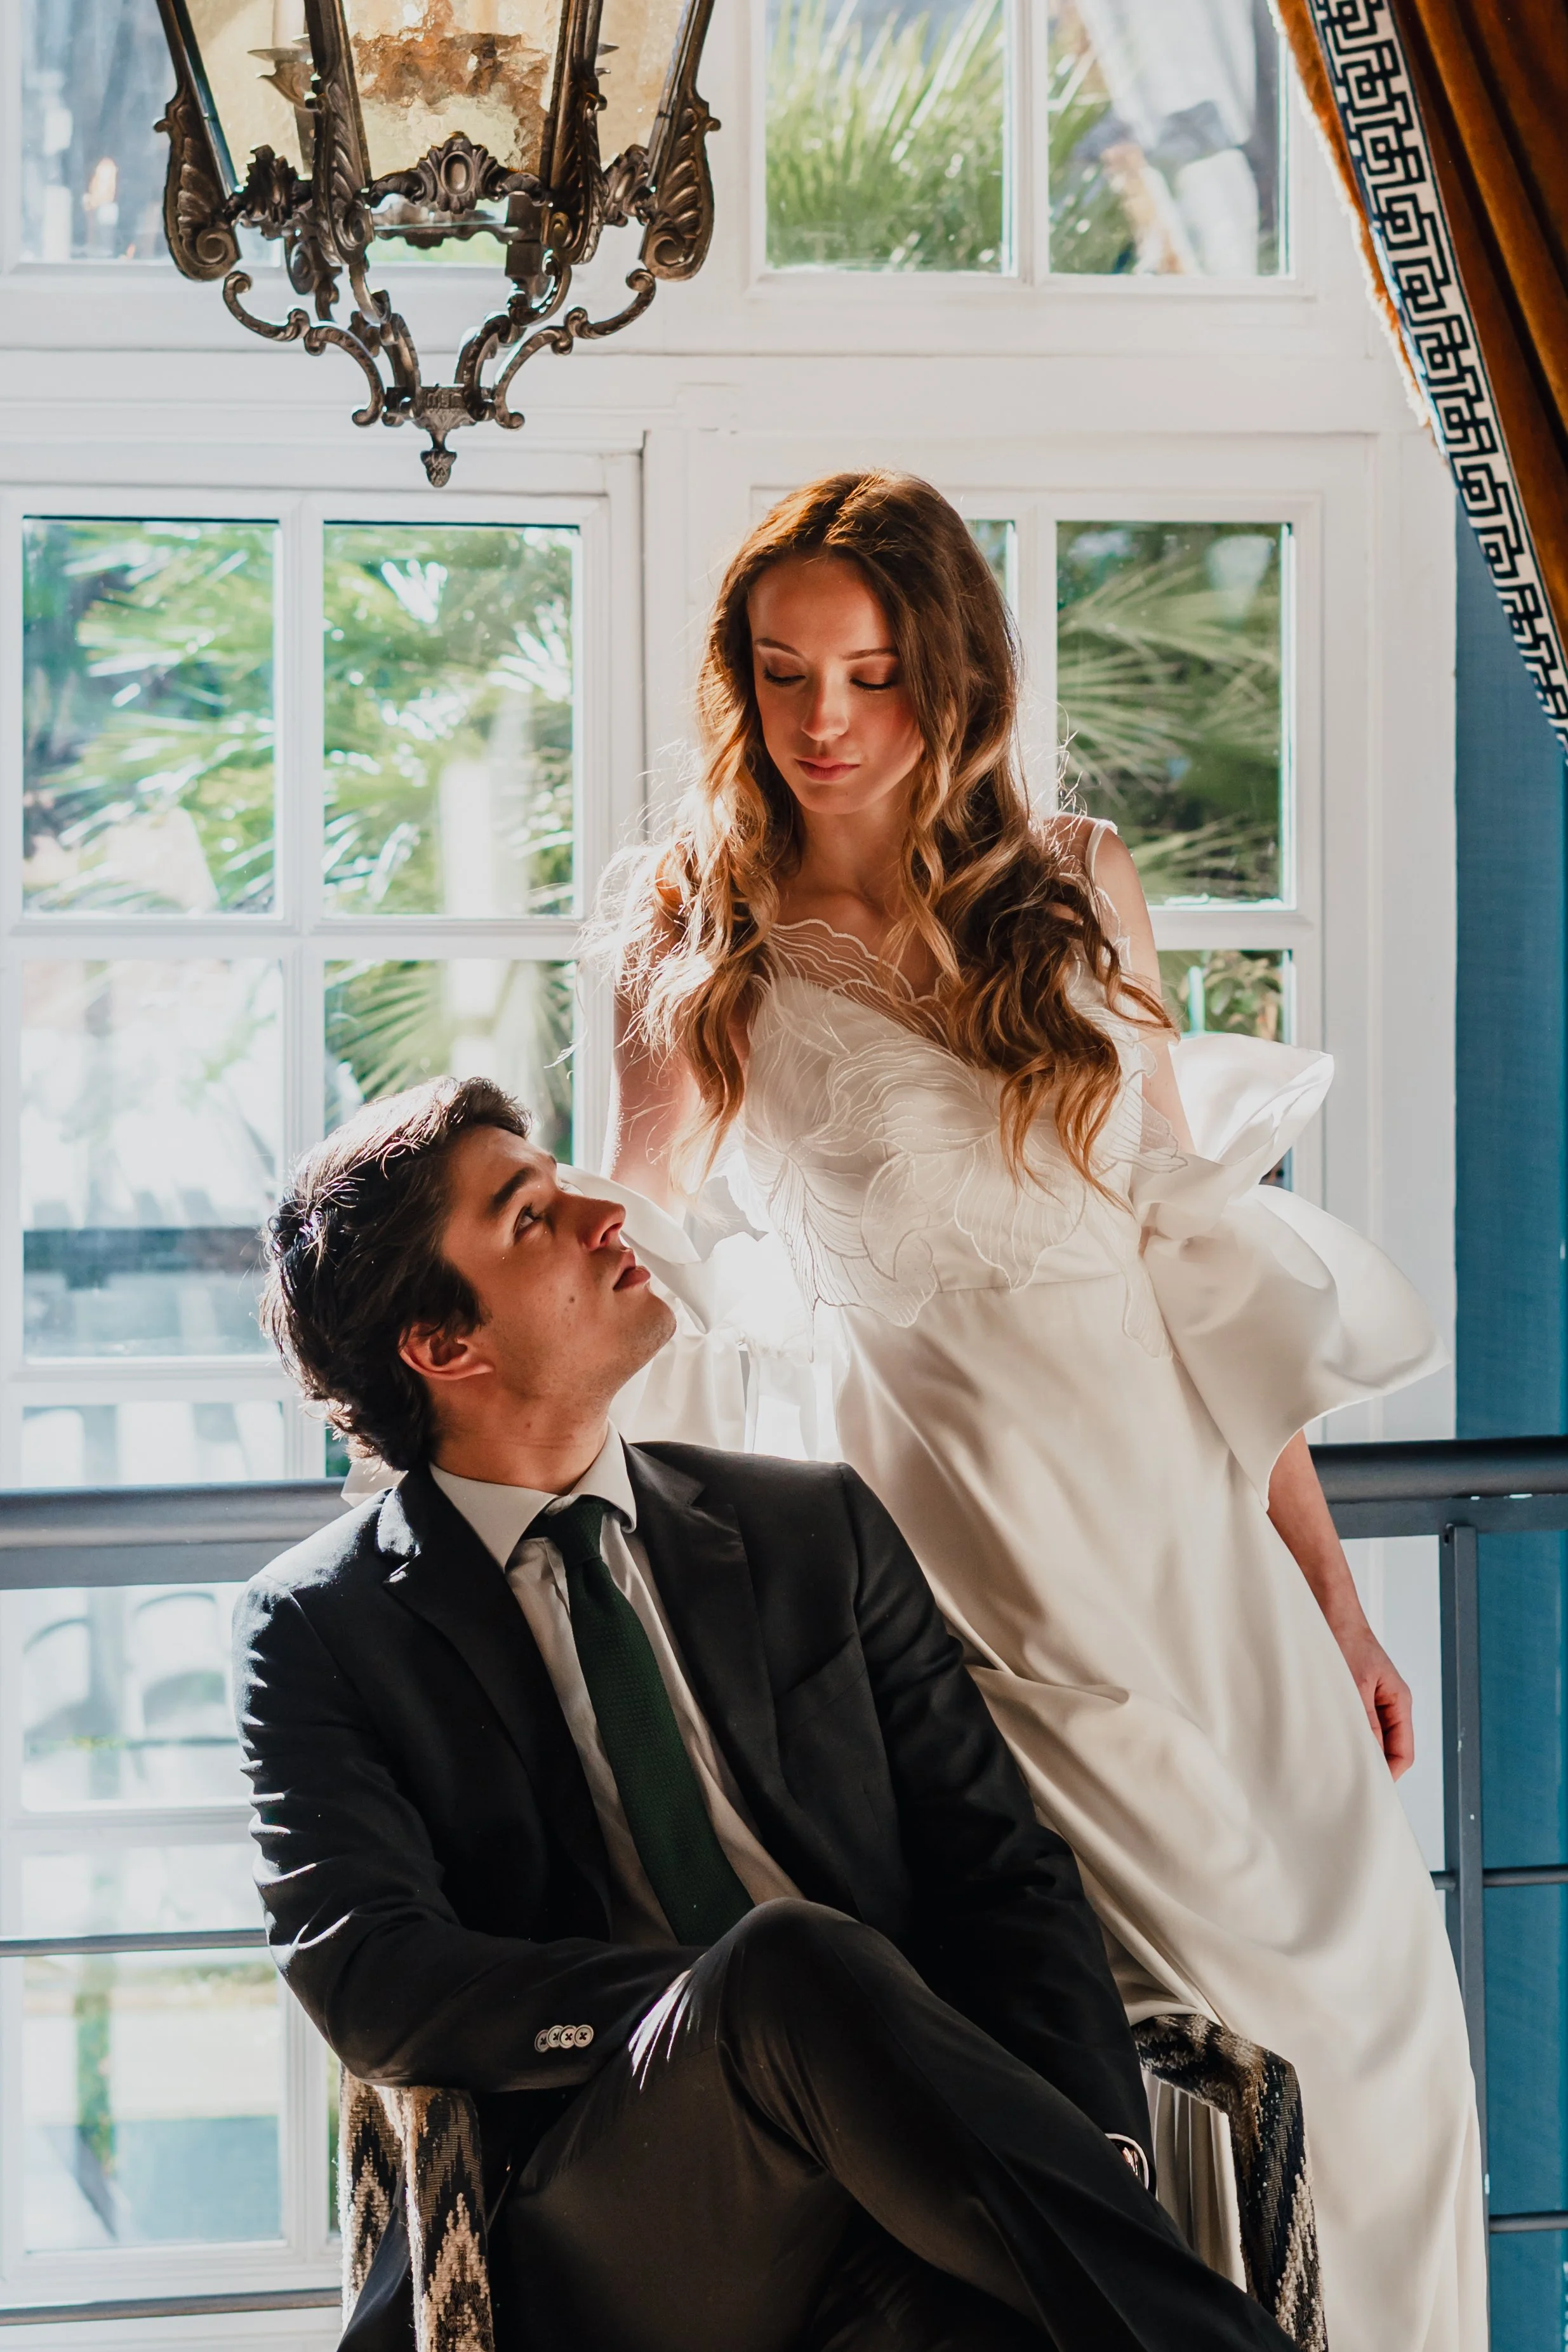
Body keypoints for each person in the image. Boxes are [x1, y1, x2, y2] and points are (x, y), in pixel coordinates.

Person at [606, 471, 1485, 2352]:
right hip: (962, 1563)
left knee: (1376, 2032)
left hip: (1192, 1552)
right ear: (737, 684)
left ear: (959, 679)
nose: (824, 723)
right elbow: (645, 1272)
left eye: (872, 676)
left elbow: (1194, 1270)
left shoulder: (1075, 882)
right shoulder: (699, 941)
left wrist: (1322, 1592)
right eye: (781, 675)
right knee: (1161, 2054)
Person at [236, 1076, 1298, 2352]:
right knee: (792, 1960)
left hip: (896, 2185)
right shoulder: (318, 1627)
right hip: (613, 2228)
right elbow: (375, 1976)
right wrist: (722, 2009)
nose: (596, 1209)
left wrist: (1098, 2156)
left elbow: (1001, 1875)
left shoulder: (811, 1531)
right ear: (443, 1346)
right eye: (528, 1215)